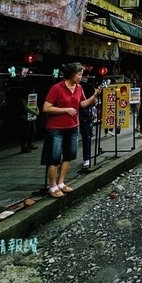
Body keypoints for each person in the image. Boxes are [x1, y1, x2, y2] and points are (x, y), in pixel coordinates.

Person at [42, 63, 102, 198]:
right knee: (53, 158)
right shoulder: (57, 88)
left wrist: (94, 96)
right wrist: (65, 110)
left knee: (69, 155)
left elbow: (82, 104)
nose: (81, 77)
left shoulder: (79, 88)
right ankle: (52, 186)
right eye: (79, 74)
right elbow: (46, 108)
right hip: (56, 128)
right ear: (71, 74)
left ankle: (61, 183)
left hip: (73, 126)